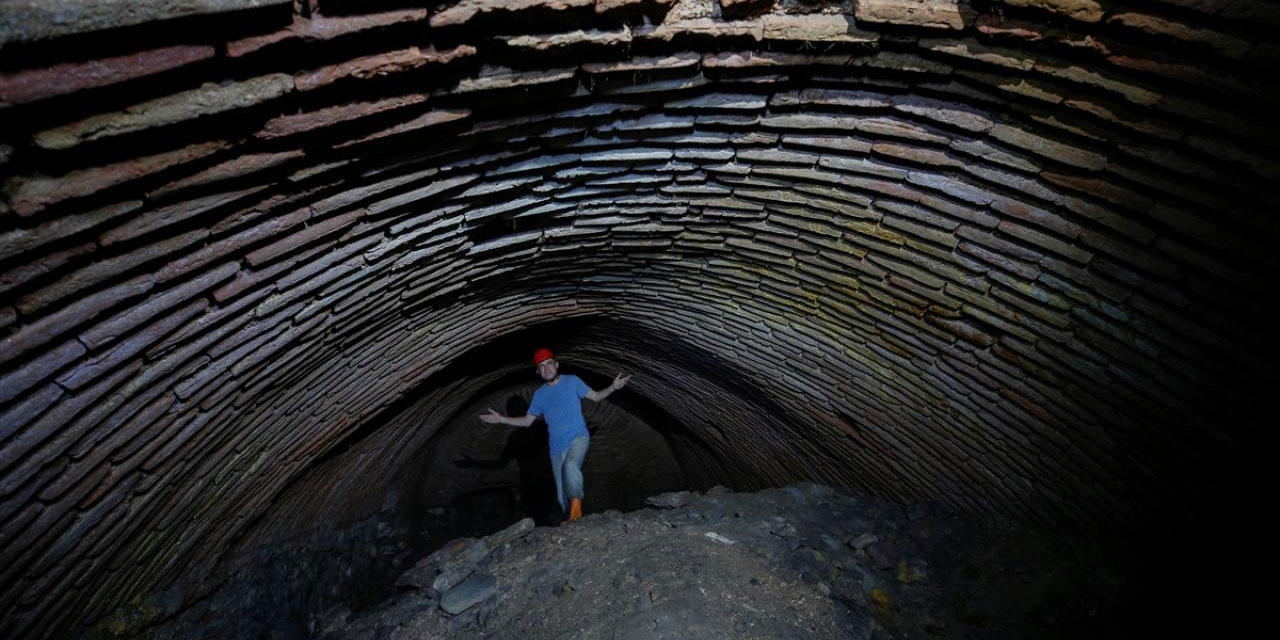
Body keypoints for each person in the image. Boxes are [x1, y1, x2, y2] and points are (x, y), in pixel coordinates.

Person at [479, 348, 631, 522]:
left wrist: (613, 387)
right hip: (556, 449)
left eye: (549, 364)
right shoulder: (540, 395)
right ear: (538, 372)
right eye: (541, 366)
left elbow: (595, 397)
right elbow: (528, 421)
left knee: (571, 465)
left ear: (556, 365)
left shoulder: (572, 381)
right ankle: (573, 522)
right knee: (561, 497)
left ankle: (576, 509)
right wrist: (501, 419)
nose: (546, 368)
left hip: (578, 436)